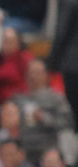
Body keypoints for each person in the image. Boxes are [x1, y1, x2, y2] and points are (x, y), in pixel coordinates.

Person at [13, 59, 74, 164]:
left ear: (46, 75)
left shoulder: (57, 99)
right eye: (30, 73)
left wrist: (44, 117)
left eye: (37, 73)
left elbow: (68, 122)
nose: (33, 76)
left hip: (48, 152)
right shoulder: (18, 99)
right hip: (24, 153)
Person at [48, 0, 78, 132]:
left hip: (73, 65)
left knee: (73, 113)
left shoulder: (69, 2)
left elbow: (61, 32)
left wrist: (51, 63)